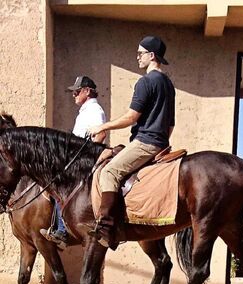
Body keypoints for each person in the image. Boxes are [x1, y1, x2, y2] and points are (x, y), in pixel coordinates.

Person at [88, 36, 175, 250]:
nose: (137, 56)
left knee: (109, 172)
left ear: (152, 55)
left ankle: (107, 229)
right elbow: (170, 124)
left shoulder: (146, 82)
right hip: (161, 144)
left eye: (141, 53)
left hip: (145, 142)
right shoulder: (168, 84)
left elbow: (131, 117)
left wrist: (102, 127)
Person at [40, 76, 106, 244]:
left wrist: (83, 156)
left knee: (60, 183)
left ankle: (63, 231)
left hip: (85, 160)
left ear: (87, 91)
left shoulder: (94, 110)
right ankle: (58, 228)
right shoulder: (85, 111)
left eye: (77, 91)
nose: (74, 94)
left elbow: (100, 135)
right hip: (78, 159)